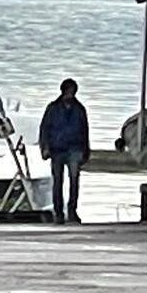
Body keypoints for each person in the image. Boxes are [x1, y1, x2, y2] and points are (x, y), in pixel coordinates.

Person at [39, 78, 90, 224]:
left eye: (73, 92)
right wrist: (45, 148)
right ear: (63, 92)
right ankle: (59, 212)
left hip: (75, 149)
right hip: (57, 150)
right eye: (68, 92)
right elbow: (44, 129)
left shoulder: (80, 109)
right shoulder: (53, 108)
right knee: (57, 182)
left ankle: (72, 210)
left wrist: (86, 150)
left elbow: (85, 130)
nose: (70, 95)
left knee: (74, 180)